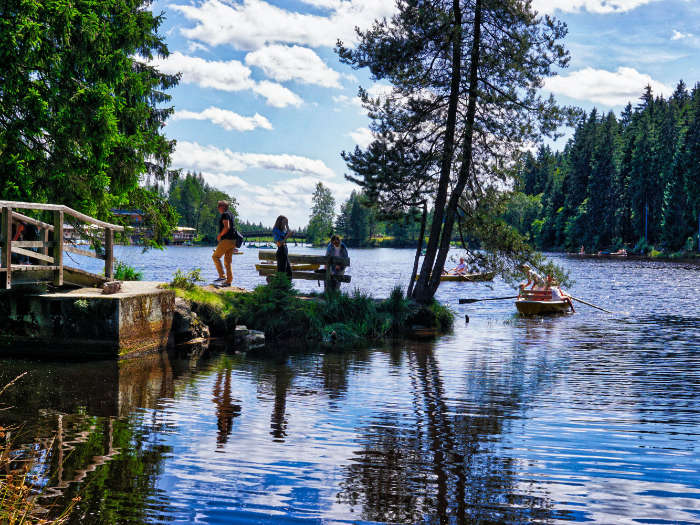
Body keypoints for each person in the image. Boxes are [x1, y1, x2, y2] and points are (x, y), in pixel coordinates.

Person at [212, 200, 236, 287]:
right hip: (233, 240)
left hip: (227, 240)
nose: (218, 208)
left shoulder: (225, 214)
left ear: (223, 207)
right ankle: (228, 281)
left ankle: (222, 276)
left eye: (219, 206)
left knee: (215, 256)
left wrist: (220, 235)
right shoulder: (231, 214)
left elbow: (227, 227)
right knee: (227, 262)